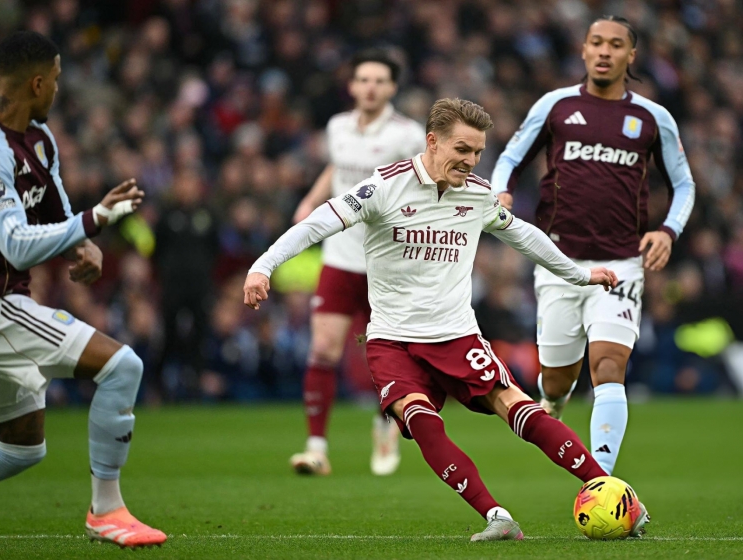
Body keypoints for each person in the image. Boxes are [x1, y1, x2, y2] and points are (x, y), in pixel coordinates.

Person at [243, 98, 649, 540]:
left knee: (515, 404)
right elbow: (317, 223)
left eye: (477, 152)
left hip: (456, 335)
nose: (471, 160)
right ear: (432, 141)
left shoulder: (476, 194)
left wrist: (580, 275)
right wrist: (263, 266)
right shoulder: (384, 187)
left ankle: (614, 491)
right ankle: (497, 517)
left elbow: (523, 235)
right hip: (392, 339)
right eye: (462, 149)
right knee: (420, 420)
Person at [0, 31, 166, 555]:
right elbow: (15, 243)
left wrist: (83, 246)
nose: (57, 87)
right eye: (55, 78)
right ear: (35, 83)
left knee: (20, 450)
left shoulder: (39, 139)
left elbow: (55, 210)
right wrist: (94, 221)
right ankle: (106, 511)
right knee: (123, 367)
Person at [490, 16, 695, 475]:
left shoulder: (652, 118)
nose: (605, 51)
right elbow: (510, 158)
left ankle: (600, 481)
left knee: (607, 365)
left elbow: (684, 184)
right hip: (558, 262)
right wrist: (501, 191)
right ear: (583, 50)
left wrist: (668, 230)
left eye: (615, 44)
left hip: (622, 263)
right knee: (556, 378)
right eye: (596, 42)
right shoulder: (555, 106)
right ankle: (553, 401)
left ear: (631, 55)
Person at [289, 49, 426, 476]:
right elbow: (337, 169)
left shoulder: (408, 135)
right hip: (340, 257)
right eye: (363, 79)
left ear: (392, 88)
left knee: (384, 356)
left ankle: (386, 424)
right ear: (351, 86)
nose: (370, 87)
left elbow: (422, 184)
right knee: (322, 348)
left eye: (379, 81)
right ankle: (316, 448)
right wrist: (310, 201)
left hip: (386, 263)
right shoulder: (338, 127)